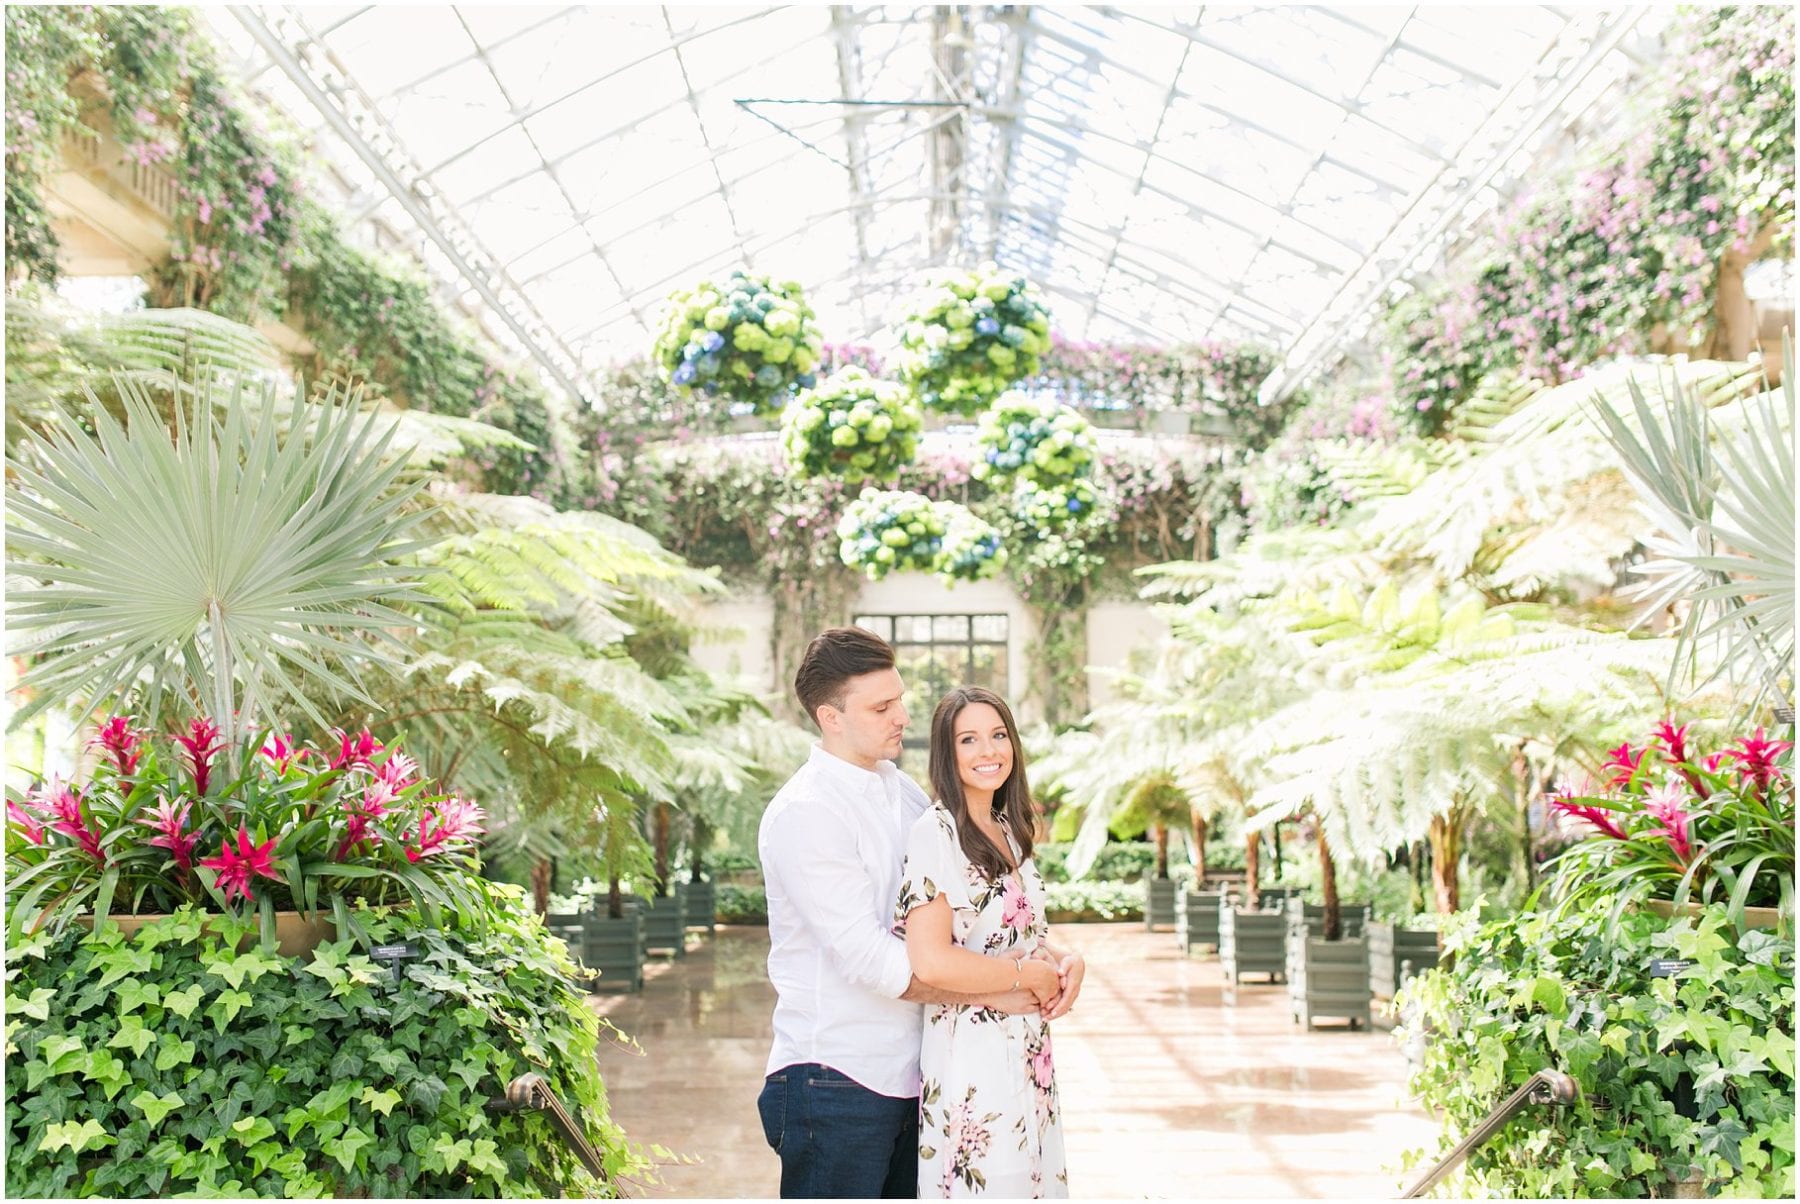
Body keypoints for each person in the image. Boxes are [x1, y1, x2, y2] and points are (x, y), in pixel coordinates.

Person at [757, 628, 1083, 1199]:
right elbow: (872, 959)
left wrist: (1052, 958)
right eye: (882, 707)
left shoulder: (901, 792)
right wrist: (1001, 989)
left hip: (918, 1073)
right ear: (829, 717)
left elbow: (971, 912)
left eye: (900, 698)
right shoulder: (806, 813)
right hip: (835, 1079)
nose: (902, 716)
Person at [896, 686, 1079, 1198]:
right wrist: (1024, 977)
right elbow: (929, 960)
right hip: (971, 1051)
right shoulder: (935, 834)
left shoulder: (1009, 827)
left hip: (1028, 1046)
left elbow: (1023, 935)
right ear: (946, 753)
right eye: (969, 739)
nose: (989, 751)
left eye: (998, 735)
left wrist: (1066, 962)